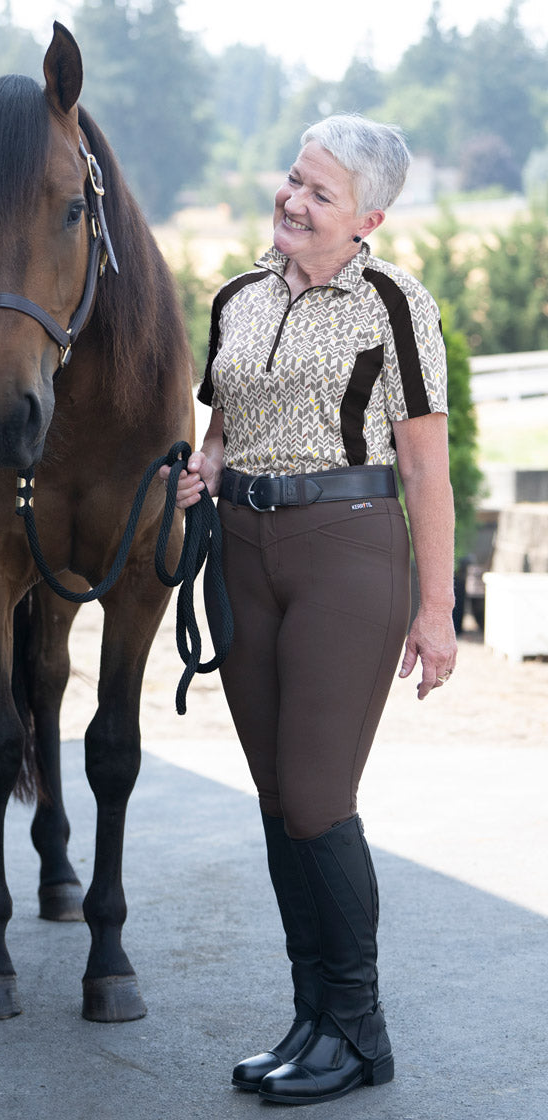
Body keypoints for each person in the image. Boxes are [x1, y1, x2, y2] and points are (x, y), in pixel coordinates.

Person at [160, 113, 457, 1106]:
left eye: (318, 193)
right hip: (239, 554)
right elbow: (219, 422)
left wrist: (434, 607)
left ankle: (359, 1030)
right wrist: (199, 470)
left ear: (366, 215)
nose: (292, 200)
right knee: (280, 800)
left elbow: (422, 461)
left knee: (320, 798)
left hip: (345, 555)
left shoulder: (393, 305)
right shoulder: (236, 296)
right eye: (293, 178)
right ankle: (309, 1017)